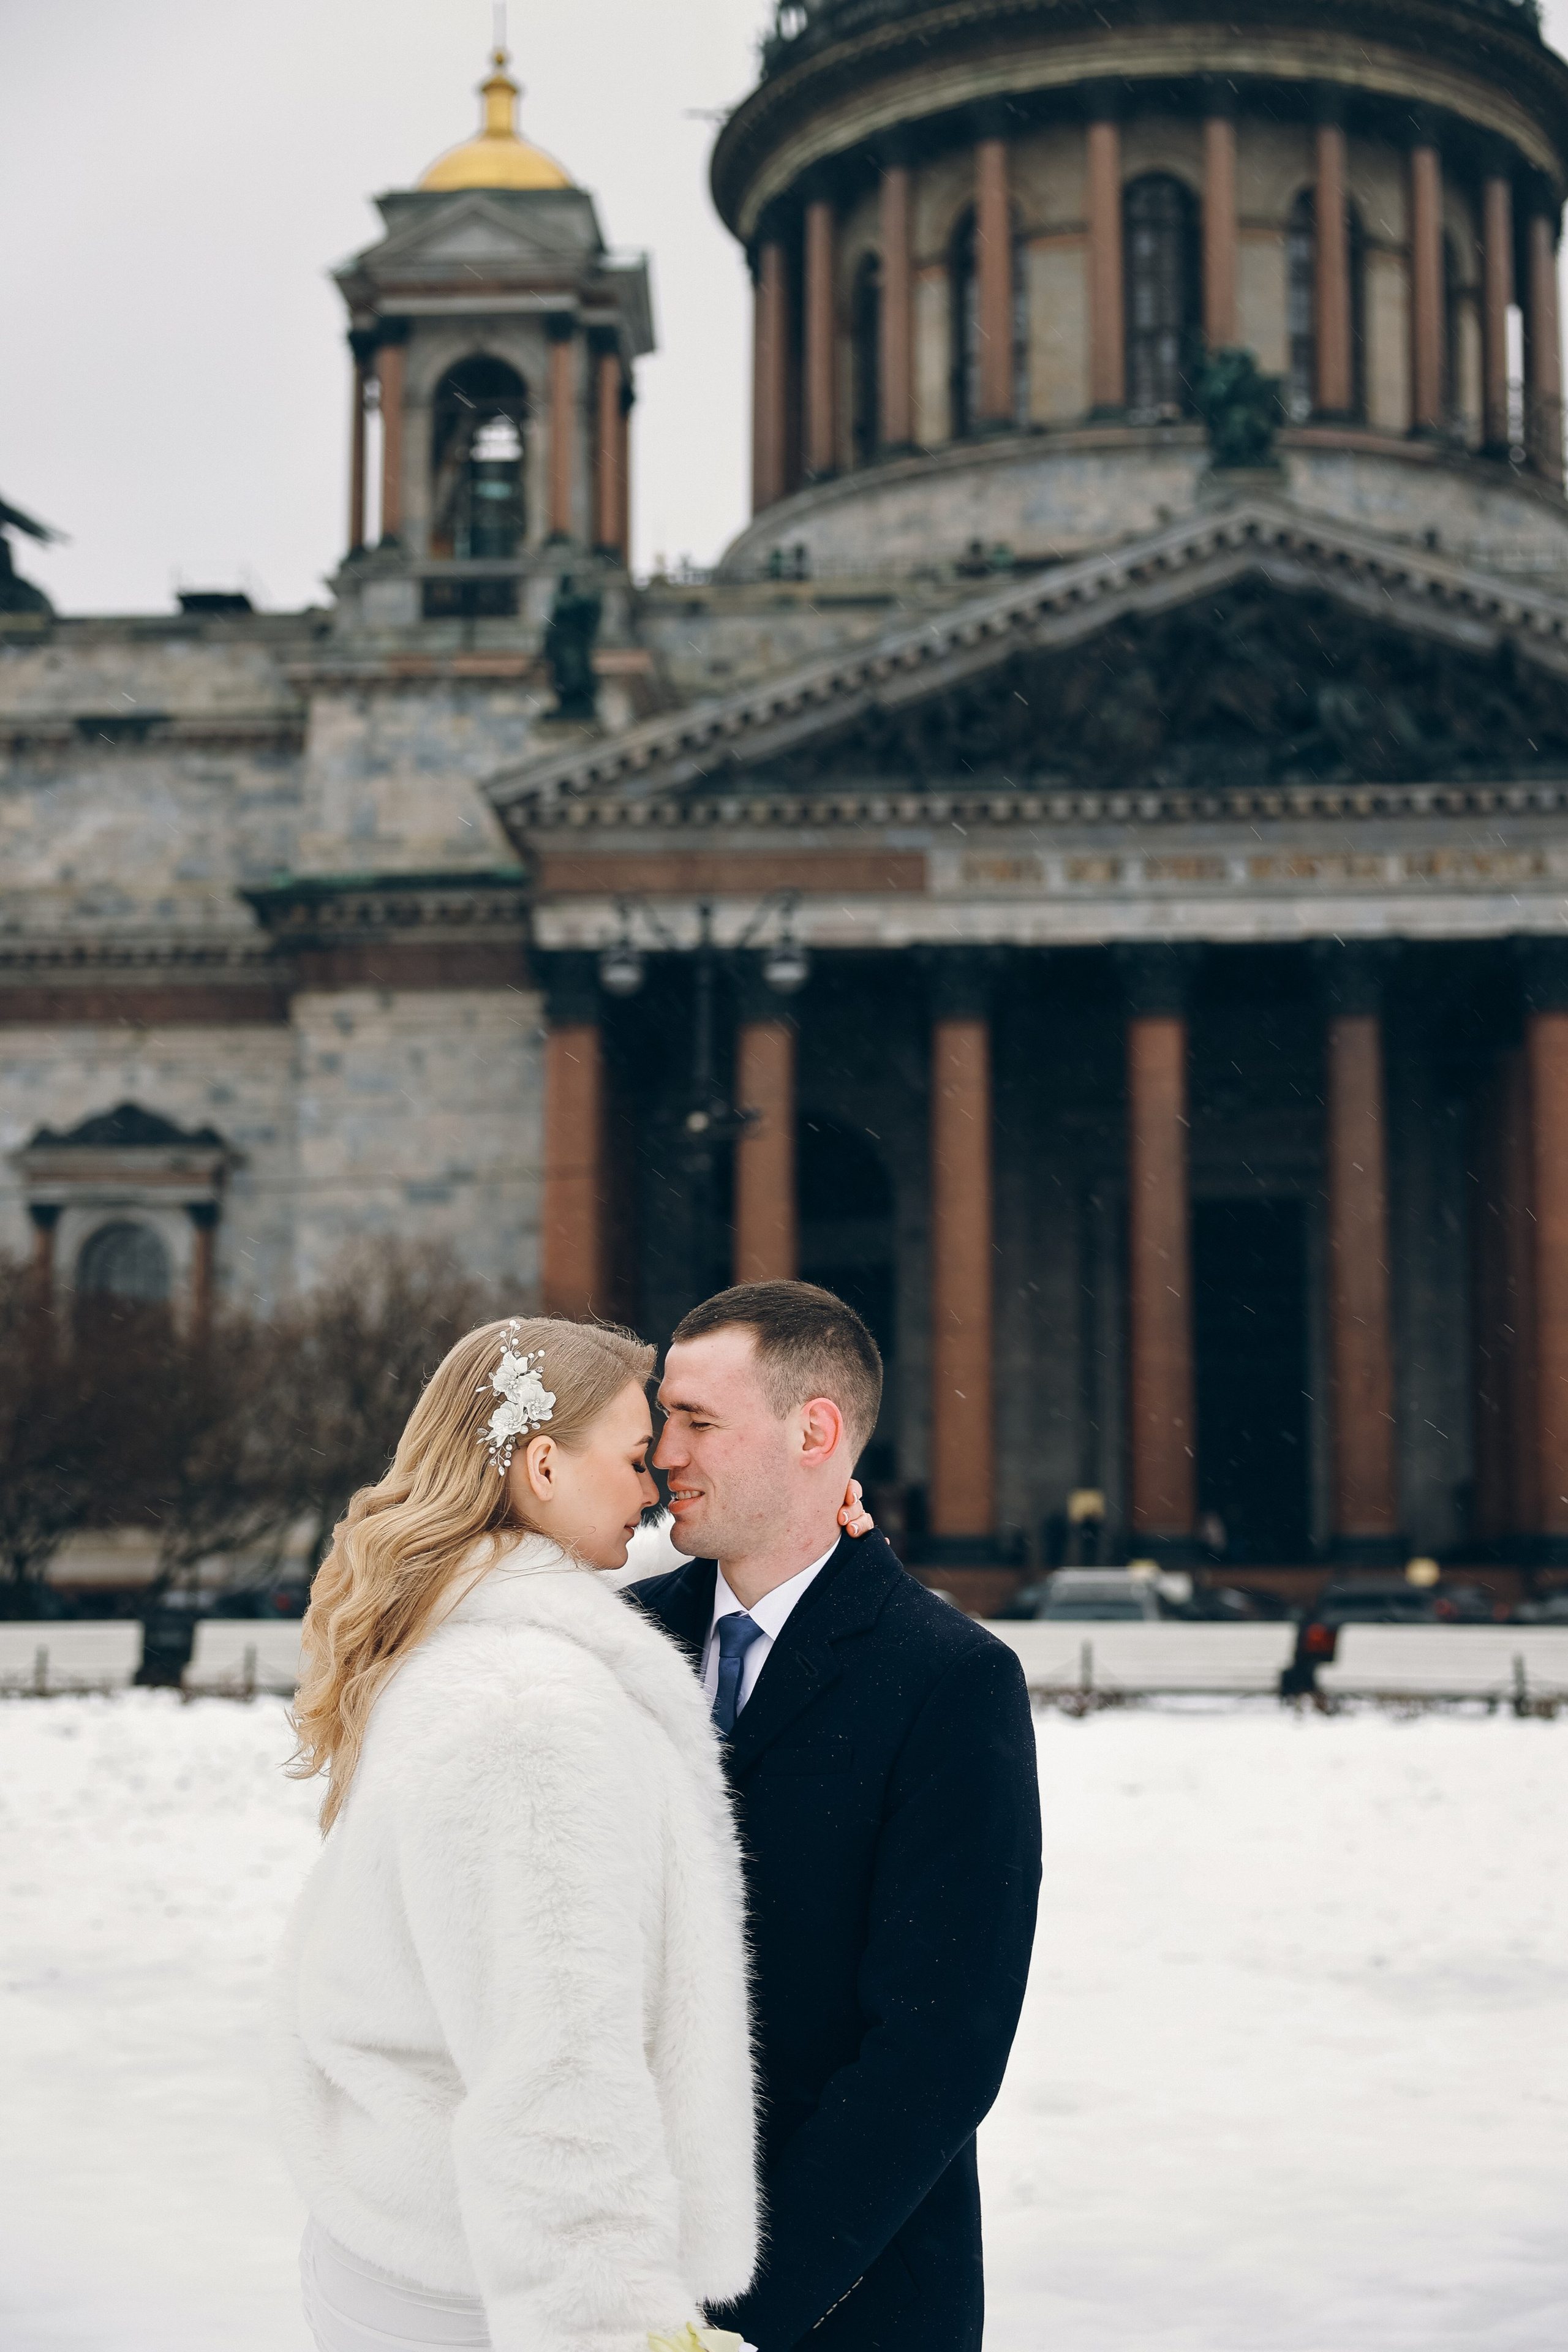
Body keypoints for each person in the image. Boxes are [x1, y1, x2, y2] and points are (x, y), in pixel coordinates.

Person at [274, 1315, 761, 2352]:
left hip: (417, 2248)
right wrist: (615, 2329)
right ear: (543, 1463)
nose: (658, 1489)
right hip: (490, 2289)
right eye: (636, 1459)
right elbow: (558, 2058)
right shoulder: (530, 1704)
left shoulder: (466, 1651)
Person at [635, 1281, 1042, 2352]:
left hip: (847, 2303)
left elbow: (937, 2049)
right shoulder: (617, 1643)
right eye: (660, 1414)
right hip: (610, 2277)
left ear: (816, 1432)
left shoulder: (950, 1680)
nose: (659, 1450)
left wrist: (731, 2317)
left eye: (697, 1421)